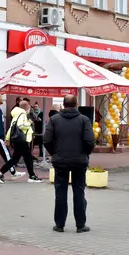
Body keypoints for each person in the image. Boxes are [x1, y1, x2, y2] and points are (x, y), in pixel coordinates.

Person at [43, 95, 95, 234]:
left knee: (60, 192)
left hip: (60, 161)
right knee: (79, 191)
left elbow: (46, 140)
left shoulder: (54, 120)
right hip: (79, 161)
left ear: (63, 104)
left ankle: (59, 225)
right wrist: (85, 153)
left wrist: (55, 152)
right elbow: (90, 141)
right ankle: (80, 224)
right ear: (76, 104)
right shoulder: (84, 120)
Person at [0, 100, 42, 183]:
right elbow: (21, 125)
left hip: (17, 139)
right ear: (26, 108)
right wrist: (29, 123)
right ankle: (31, 176)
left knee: (17, 159)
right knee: (26, 158)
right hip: (21, 140)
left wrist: (8, 139)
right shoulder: (23, 114)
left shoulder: (16, 115)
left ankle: (0, 173)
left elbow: (11, 128)